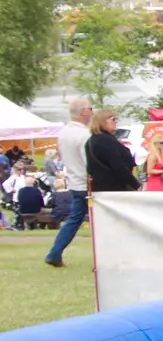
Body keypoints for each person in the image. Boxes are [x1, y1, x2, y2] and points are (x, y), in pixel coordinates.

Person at [42, 98, 93, 268]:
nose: (92, 112)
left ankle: (55, 252)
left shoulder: (64, 132)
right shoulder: (84, 134)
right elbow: (89, 162)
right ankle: (54, 253)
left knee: (75, 218)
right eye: (90, 109)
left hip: (74, 181)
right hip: (86, 183)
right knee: (80, 219)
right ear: (83, 112)